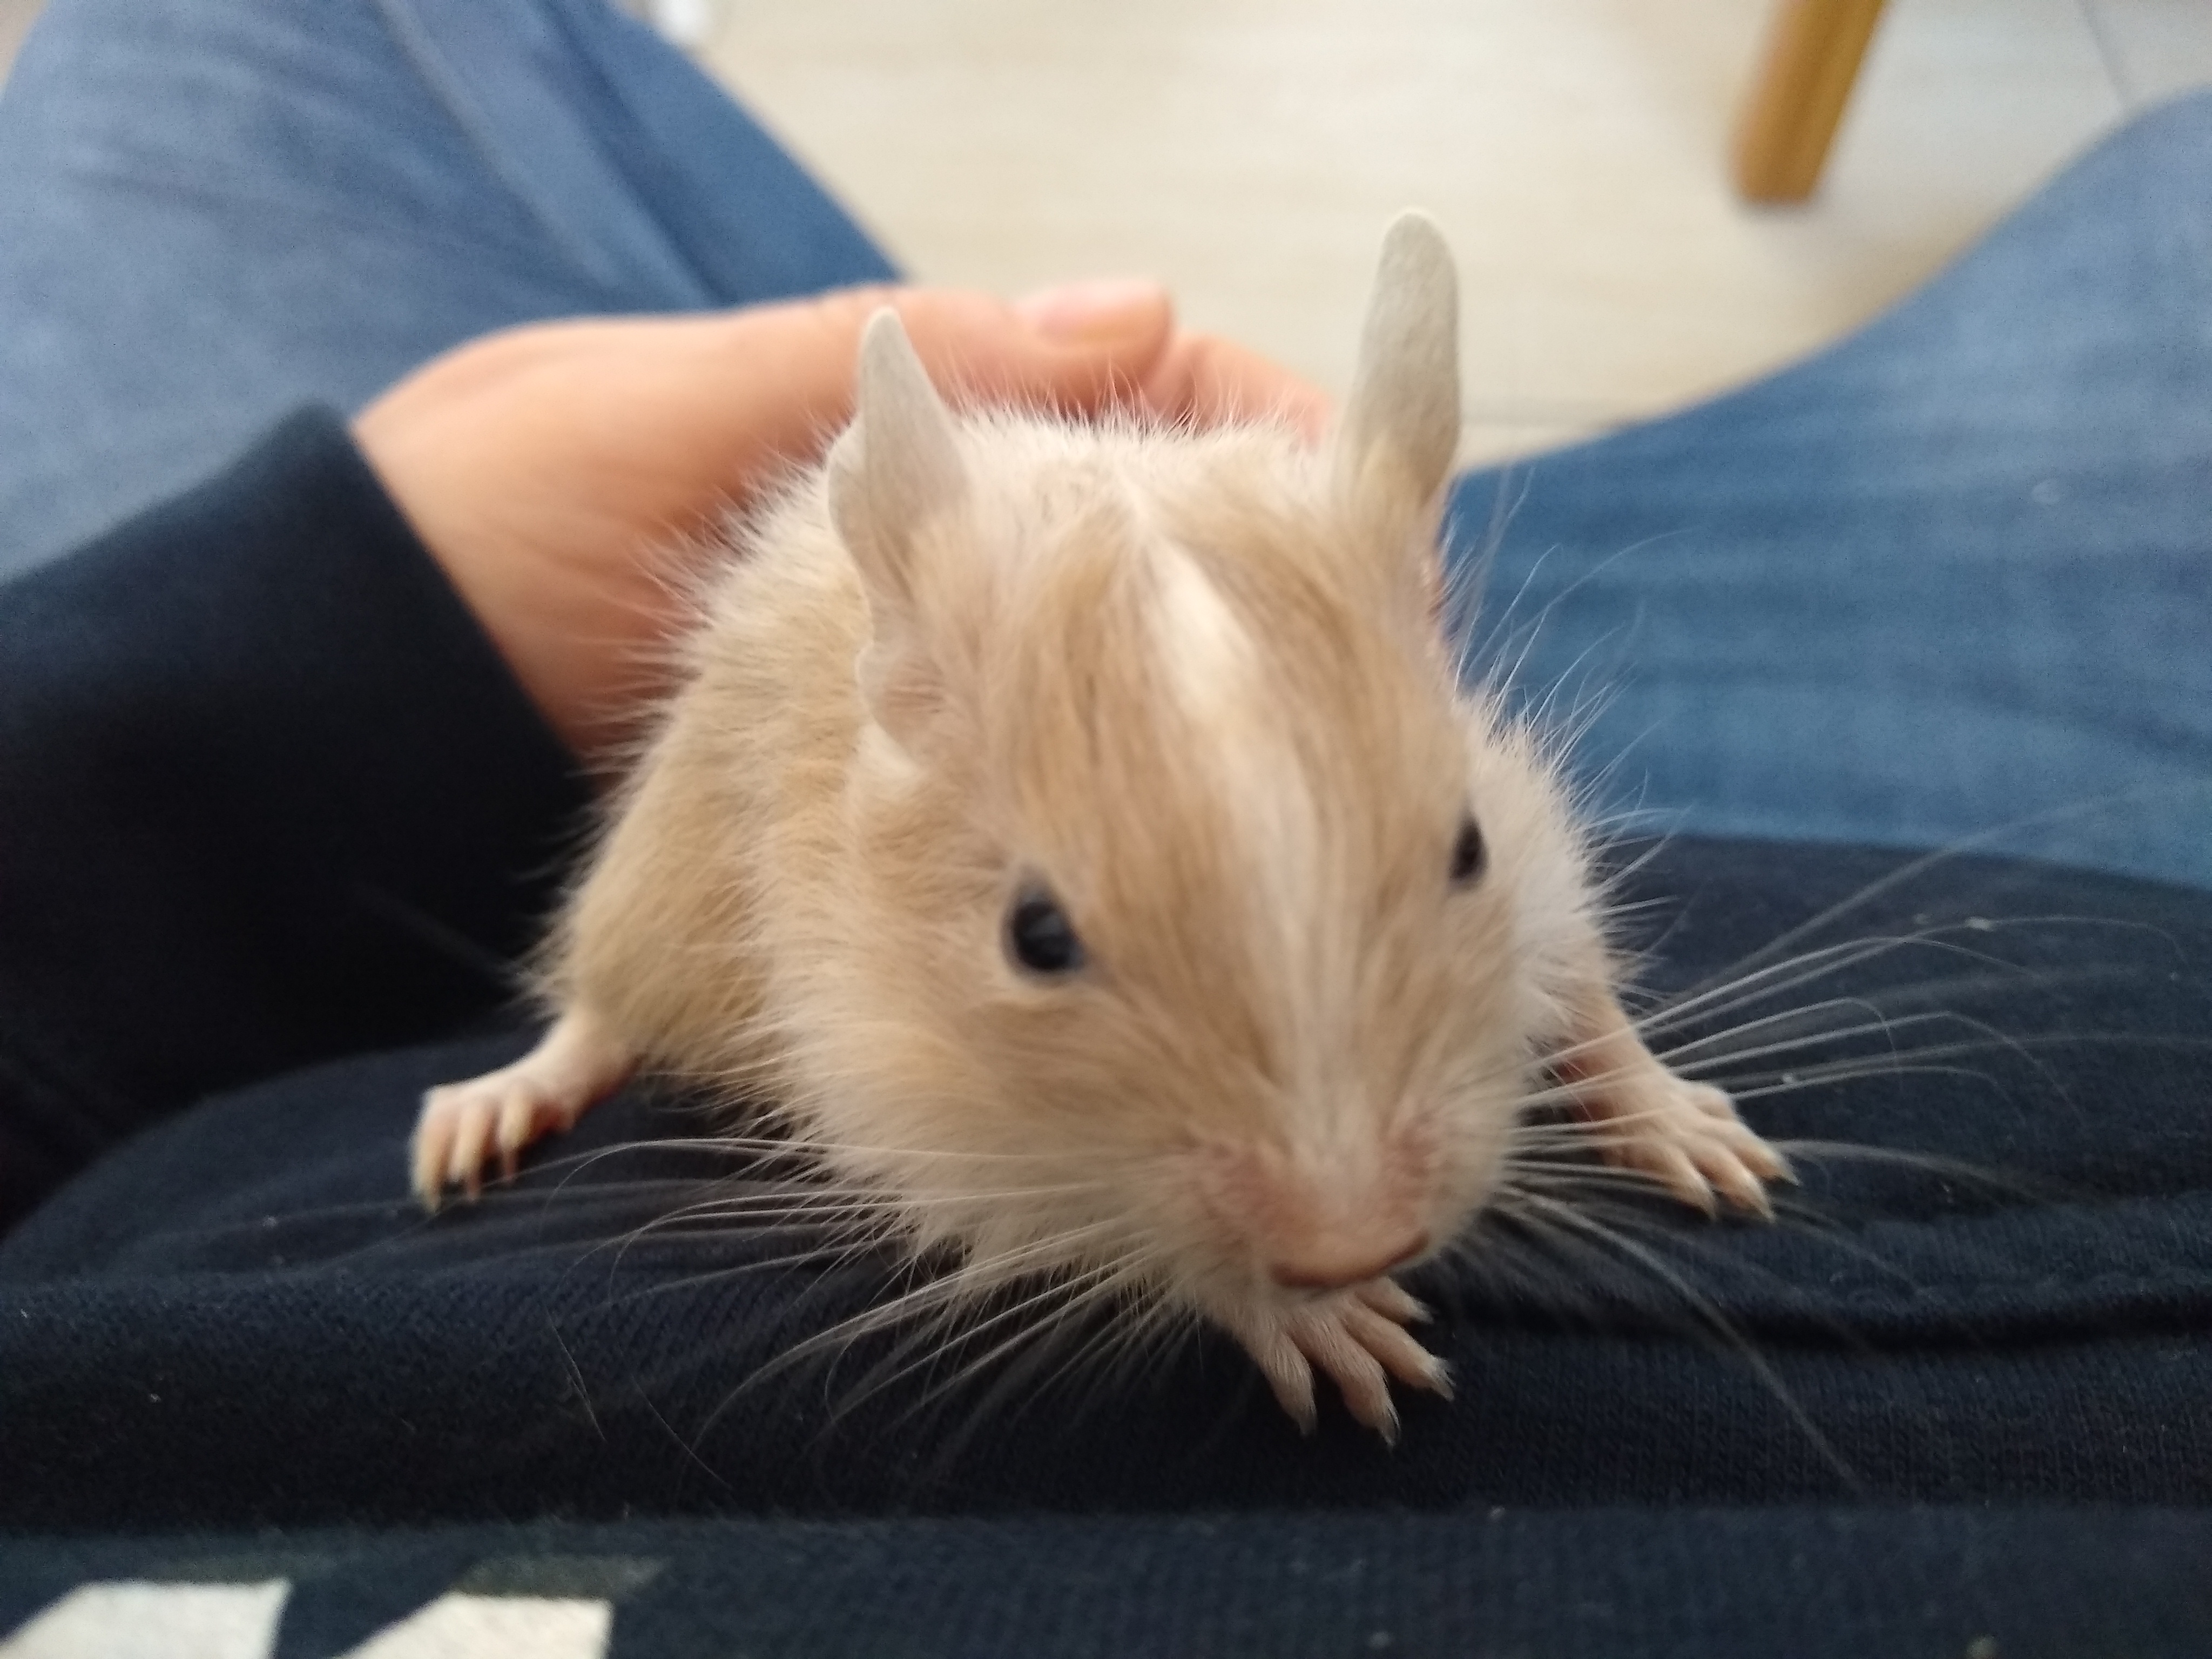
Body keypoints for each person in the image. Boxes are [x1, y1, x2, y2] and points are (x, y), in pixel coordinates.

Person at [0, 0, 2207, 1648]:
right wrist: (1228, 1291)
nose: (1355, 1211)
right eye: (1052, 942)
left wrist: (1617, 1073)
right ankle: (577, 1028)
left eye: (1428, 855)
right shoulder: (901, 745)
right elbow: (889, 1116)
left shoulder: (1385, 670)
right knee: (654, 946)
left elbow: (1518, 872)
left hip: (126, 1032)